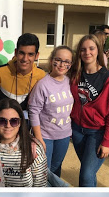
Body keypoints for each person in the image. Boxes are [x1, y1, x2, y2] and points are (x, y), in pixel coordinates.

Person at [69, 34, 109, 187]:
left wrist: (106, 141)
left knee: (85, 174)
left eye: (91, 48)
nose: (87, 52)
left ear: (99, 50)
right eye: (83, 49)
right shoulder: (75, 74)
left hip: (97, 132)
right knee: (89, 172)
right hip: (77, 130)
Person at [0, 97, 47, 187]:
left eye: (14, 121)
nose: (8, 125)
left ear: (20, 123)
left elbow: (40, 187)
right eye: (2, 121)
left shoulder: (34, 149)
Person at [27, 45, 74, 180]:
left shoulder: (70, 82)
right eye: (58, 60)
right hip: (46, 135)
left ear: (70, 64)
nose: (61, 64)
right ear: (52, 60)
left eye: (66, 61)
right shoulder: (43, 84)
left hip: (64, 135)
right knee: (43, 170)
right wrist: (39, 138)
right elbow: (34, 111)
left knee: (56, 168)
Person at [0, 33, 46, 115]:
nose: (25, 59)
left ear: (36, 55)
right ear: (16, 52)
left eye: (30, 54)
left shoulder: (41, 75)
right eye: (22, 53)